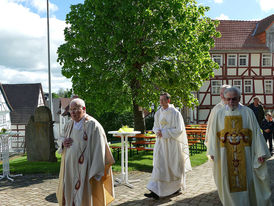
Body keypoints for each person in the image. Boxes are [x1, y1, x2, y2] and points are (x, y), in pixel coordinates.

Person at [207, 87, 272, 206]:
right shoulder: (219, 114)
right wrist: (212, 151)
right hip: (225, 155)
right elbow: (213, 134)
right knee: (227, 181)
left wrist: (260, 152)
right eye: (228, 99)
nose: (231, 102)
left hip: (245, 156)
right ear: (225, 99)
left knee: (247, 181)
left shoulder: (248, 112)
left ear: (240, 98)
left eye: (234, 99)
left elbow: (256, 133)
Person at [56, 98, 115, 206]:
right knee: (70, 196)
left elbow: (100, 148)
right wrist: (63, 142)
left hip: (86, 169)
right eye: (71, 110)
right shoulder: (69, 124)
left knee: (85, 197)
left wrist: (96, 170)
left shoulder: (93, 125)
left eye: (75, 109)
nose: (72, 112)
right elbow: (61, 138)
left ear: (83, 109)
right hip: (69, 169)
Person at [144, 92, 192, 199]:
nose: (161, 102)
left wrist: (164, 133)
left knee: (172, 166)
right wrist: (157, 131)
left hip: (172, 145)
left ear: (168, 100)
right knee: (159, 165)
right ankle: (155, 190)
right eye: (160, 100)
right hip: (161, 144)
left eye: (163, 100)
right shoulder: (157, 113)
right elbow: (155, 126)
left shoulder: (175, 113)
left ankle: (176, 188)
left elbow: (179, 130)